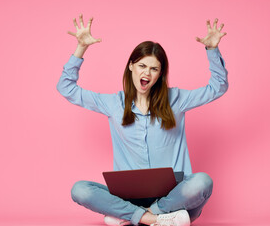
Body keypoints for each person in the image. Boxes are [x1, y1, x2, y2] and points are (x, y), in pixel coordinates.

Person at [57, 14, 228, 226]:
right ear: (131, 67)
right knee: (80, 189)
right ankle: (154, 220)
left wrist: (212, 50)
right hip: (129, 197)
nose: (147, 72)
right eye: (142, 66)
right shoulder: (113, 104)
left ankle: (134, 216)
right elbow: (66, 88)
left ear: (159, 75)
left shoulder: (177, 99)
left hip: (173, 201)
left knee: (202, 182)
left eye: (154, 68)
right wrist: (81, 48)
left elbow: (218, 87)